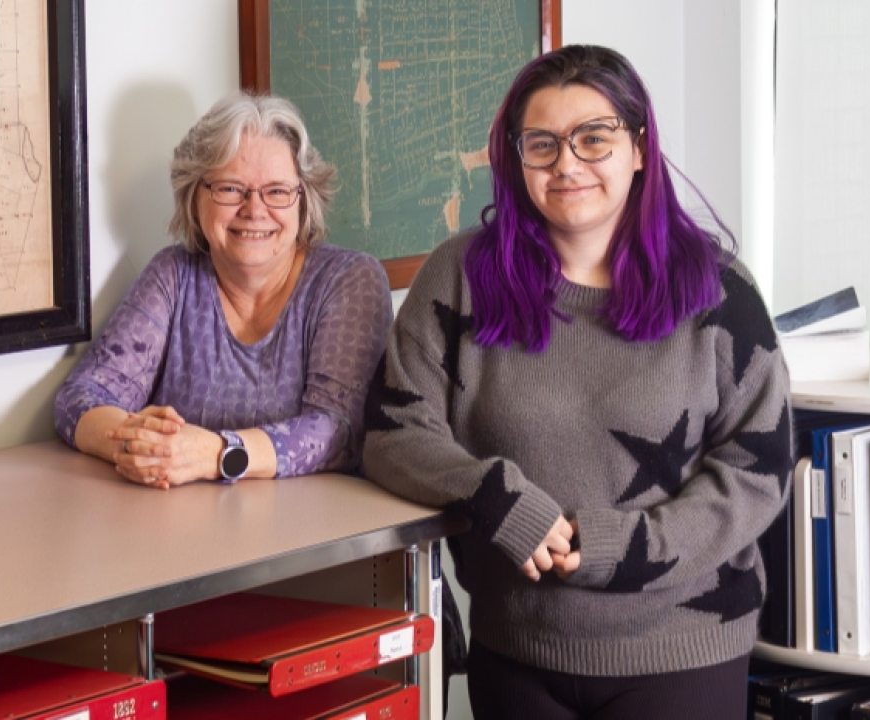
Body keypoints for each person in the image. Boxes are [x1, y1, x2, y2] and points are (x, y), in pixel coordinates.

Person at [362, 45, 792, 719]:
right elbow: (393, 433)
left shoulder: (719, 290)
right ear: (516, 158)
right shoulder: (459, 279)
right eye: (543, 144)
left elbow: (756, 468)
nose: (568, 164)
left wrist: (628, 550)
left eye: (594, 138)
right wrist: (493, 493)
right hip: (518, 647)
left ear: (639, 148)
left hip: (683, 650)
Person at [55, 92, 392, 488]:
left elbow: (338, 432)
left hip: (311, 535)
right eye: (231, 189)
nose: (254, 209)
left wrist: (218, 454)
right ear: (194, 195)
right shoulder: (173, 274)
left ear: (305, 200)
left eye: (277, 191)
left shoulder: (349, 280)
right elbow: (80, 397)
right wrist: (140, 445)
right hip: (180, 528)